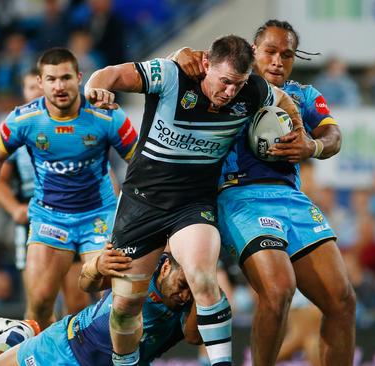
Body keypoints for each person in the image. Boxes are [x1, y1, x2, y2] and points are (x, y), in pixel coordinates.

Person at [84, 34, 310, 366]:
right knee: (124, 307)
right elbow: (110, 74)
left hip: (193, 205)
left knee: (204, 279)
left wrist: (298, 130)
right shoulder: (172, 75)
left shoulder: (253, 91)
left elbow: (285, 102)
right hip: (142, 202)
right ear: (206, 65)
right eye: (225, 82)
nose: (231, 92)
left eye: (239, 84)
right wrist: (95, 89)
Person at [173, 20, 355, 366]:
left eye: (286, 55)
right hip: (239, 197)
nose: (277, 61)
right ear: (253, 52)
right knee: (279, 289)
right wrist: (179, 54)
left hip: (292, 200)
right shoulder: (229, 85)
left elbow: (334, 137)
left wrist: (312, 146)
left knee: (343, 300)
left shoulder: (304, 95)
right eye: (270, 51)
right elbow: (181, 69)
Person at [0, 48, 138, 329]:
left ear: (79, 78)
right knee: (40, 304)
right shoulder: (24, 119)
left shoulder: (107, 116)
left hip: (99, 216)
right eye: (52, 79)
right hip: (50, 218)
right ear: (41, 83)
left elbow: (142, 164)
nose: (59, 86)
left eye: (66, 77)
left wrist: (146, 210)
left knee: (108, 297)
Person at [0, 247, 200, 366]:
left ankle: (15, 336)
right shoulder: (142, 261)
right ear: (166, 267)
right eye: (182, 285)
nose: (184, 295)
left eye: (191, 291)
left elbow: (193, 337)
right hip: (66, 347)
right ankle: (15, 334)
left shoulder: (195, 303)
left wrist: (202, 289)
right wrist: (97, 266)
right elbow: (85, 283)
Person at [0, 68, 91, 318]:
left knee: (77, 302)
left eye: (39, 87)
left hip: (74, 217)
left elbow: (102, 171)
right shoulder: (17, 129)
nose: (35, 93)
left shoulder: (78, 123)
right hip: (34, 219)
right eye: (29, 88)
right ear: (24, 92)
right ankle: (37, 356)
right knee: (40, 302)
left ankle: (73, 354)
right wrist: (14, 208)